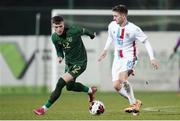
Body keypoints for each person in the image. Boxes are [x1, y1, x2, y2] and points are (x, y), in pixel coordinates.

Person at [98, 4, 159, 115]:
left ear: (123, 16)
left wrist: (152, 58)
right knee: (116, 86)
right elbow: (110, 37)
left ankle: (133, 105)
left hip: (130, 57)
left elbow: (146, 42)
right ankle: (136, 102)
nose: (113, 18)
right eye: (113, 16)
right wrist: (105, 50)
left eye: (116, 16)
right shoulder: (112, 25)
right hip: (117, 58)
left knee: (122, 78)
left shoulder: (134, 29)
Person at [33, 15, 97, 115]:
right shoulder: (54, 37)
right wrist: (60, 56)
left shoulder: (74, 30)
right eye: (56, 27)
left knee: (60, 83)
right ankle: (90, 90)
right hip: (69, 63)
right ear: (53, 27)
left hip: (80, 63)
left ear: (64, 24)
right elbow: (59, 50)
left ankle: (44, 108)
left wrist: (92, 35)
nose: (58, 29)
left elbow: (84, 30)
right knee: (69, 87)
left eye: (60, 26)